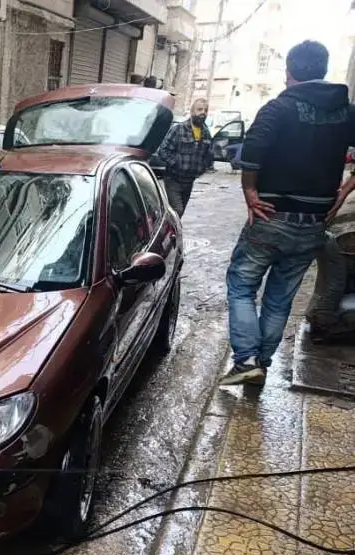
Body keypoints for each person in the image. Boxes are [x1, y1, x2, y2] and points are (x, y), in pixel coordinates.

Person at [221, 40, 355, 386]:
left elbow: (252, 151)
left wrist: (250, 191)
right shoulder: (347, 112)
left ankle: (247, 360)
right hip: (314, 223)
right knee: (280, 298)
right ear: (324, 69)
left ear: (289, 71)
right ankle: (260, 364)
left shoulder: (278, 108)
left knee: (242, 285)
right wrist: (343, 192)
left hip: (270, 216)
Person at [151, 99, 214, 217]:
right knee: (177, 210)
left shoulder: (206, 133)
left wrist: (201, 168)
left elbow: (209, 155)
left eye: (206, 110)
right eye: (199, 109)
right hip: (173, 179)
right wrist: (176, 163)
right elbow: (163, 150)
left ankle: (167, 226)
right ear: (192, 112)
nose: (203, 113)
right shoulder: (179, 129)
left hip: (189, 181)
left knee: (179, 213)